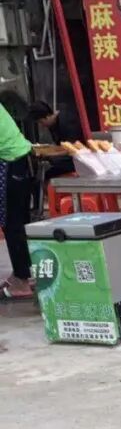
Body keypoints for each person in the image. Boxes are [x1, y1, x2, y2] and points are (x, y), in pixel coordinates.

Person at [0, 102, 35, 300]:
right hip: (19, 160)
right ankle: (23, 273)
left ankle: (22, 281)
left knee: (12, 223)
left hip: (10, 162)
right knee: (19, 222)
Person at [28, 100, 79, 179]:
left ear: (47, 116)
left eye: (41, 122)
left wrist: (48, 155)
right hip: (67, 154)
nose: (42, 125)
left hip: (77, 158)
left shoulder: (67, 123)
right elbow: (60, 145)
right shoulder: (52, 124)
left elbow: (71, 149)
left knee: (52, 165)